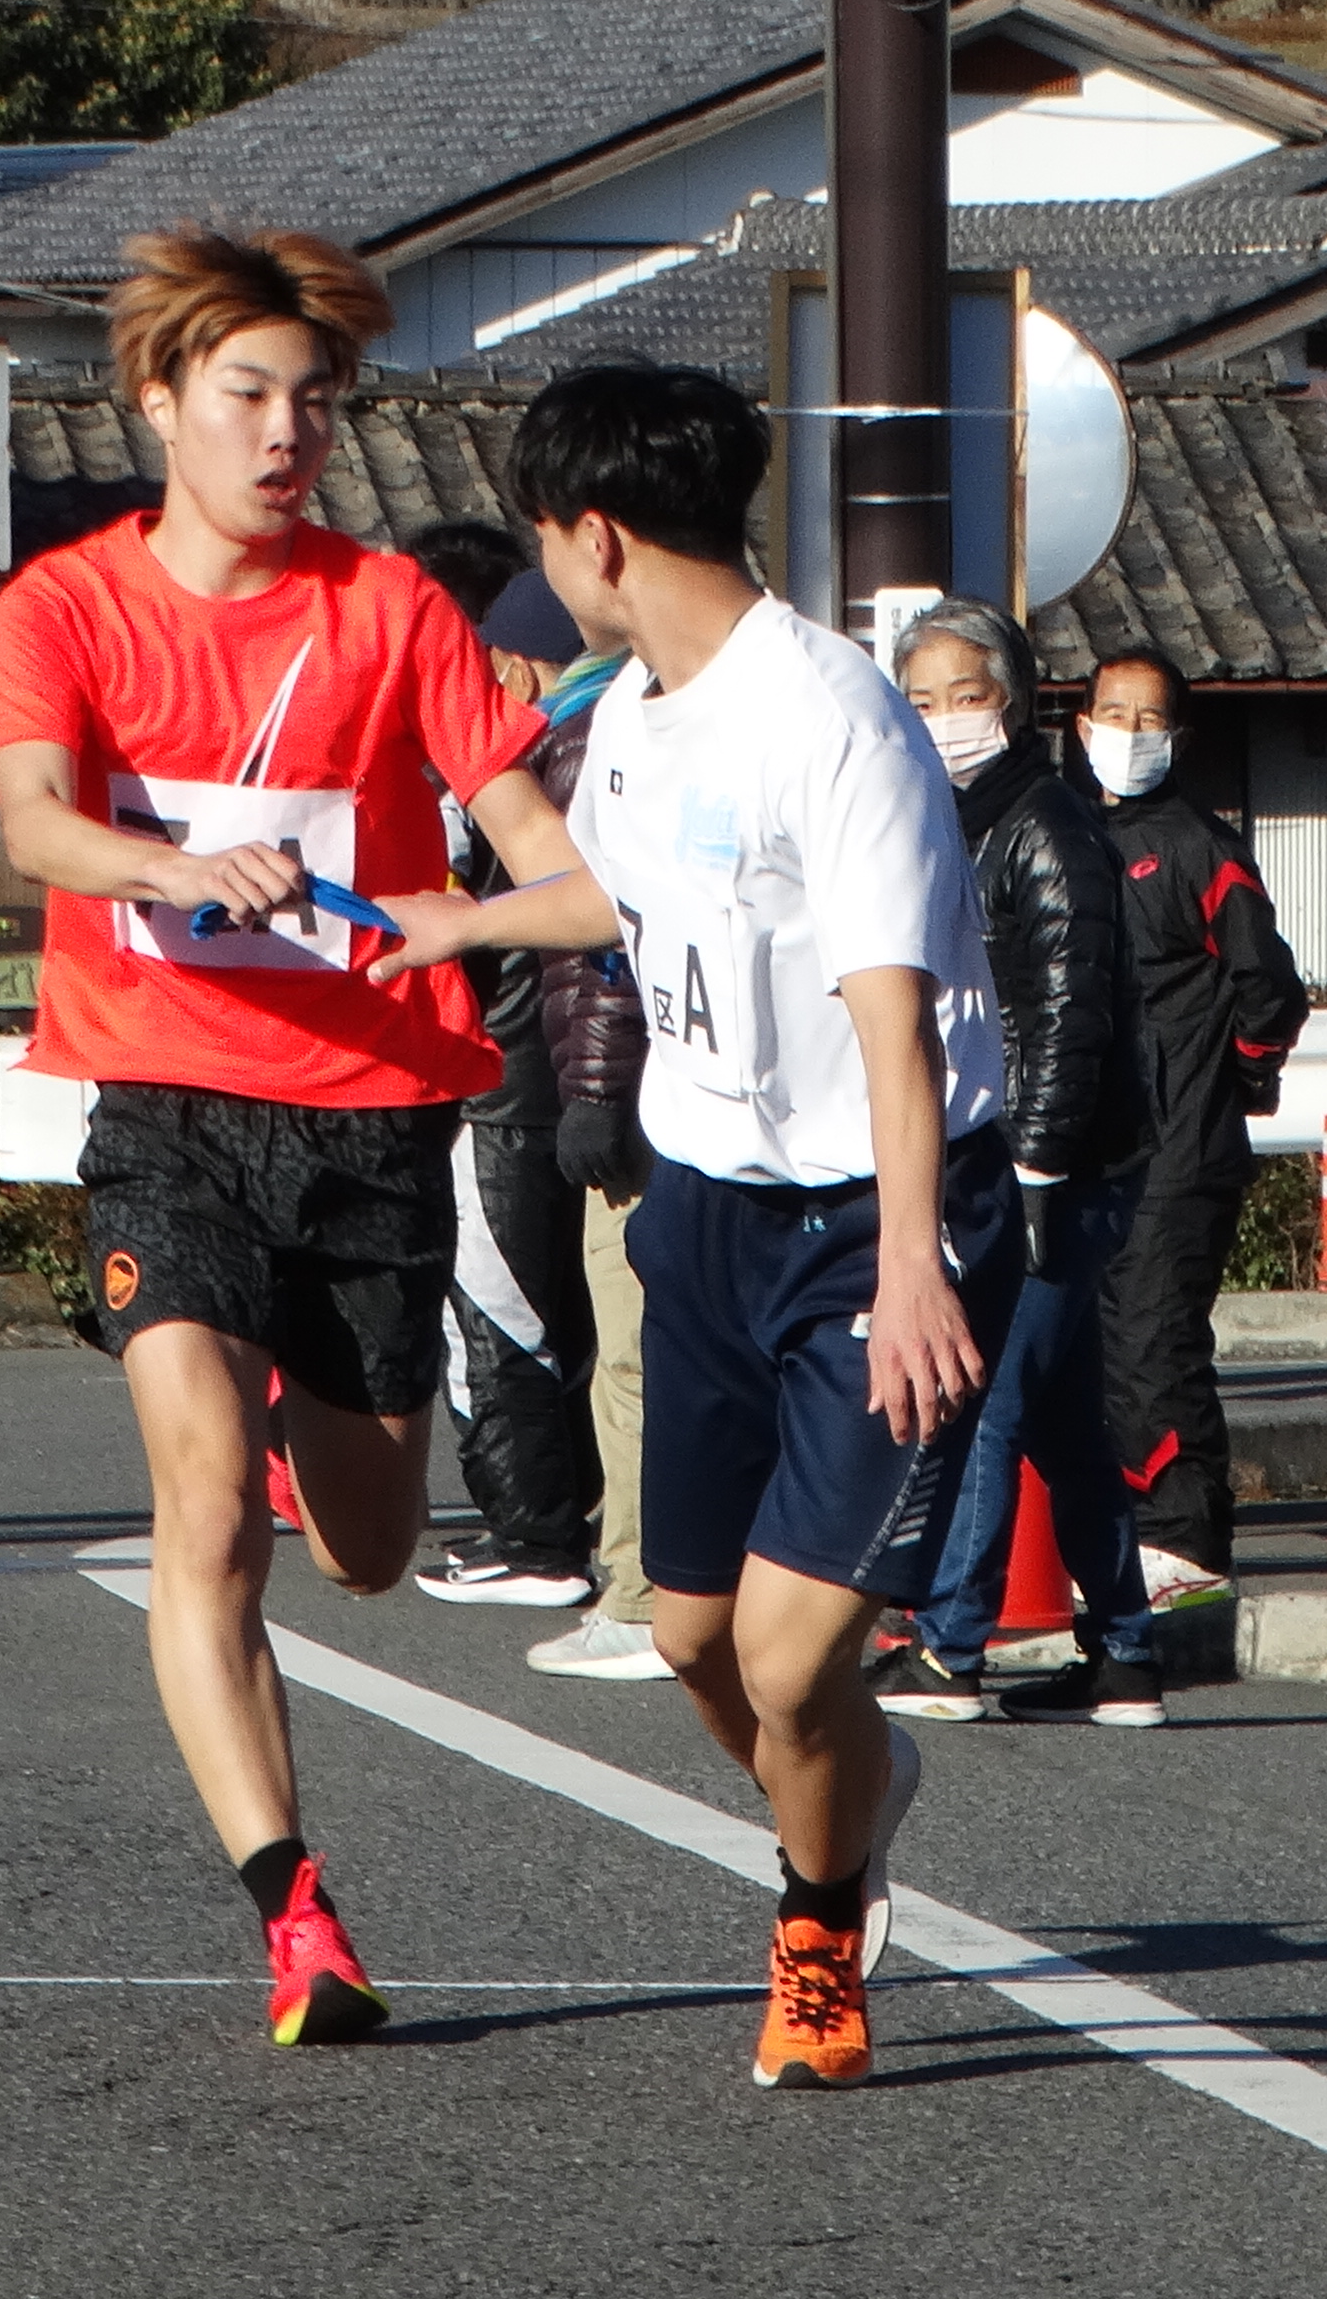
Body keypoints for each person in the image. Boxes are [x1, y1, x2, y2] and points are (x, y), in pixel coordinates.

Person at [0, 224, 588, 2051]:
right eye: (246, 391)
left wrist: (467, 916)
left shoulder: (391, 610)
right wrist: (166, 863)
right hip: (163, 1100)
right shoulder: (67, 607)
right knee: (196, 1501)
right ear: (157, 397)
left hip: (372, 1117)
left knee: (370, 1545)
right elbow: (33, 822)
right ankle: (291, 1909)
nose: (283, 429)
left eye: (314, 399)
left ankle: (340, 1461)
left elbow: (549, 866)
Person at [389, 360, 1013, 2090]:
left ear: (593, 535)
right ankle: (855, 1790)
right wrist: (462, 918)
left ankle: (815, 1924)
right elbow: (619, 884)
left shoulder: (827, 712)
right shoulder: (642, 713)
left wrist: (906, 1267)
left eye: (541, 546)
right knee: (684, 1635)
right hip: (705, 1214)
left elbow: (892, 1015)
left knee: (790, 1647)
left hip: (872, 1223)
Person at [871, 597, 1163, 1728]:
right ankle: (1127, 1651)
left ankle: (951, 1644)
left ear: (1017, 700)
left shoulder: (1043, 823)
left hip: (1059, 1163)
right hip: (1008, 1155)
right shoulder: (948, 821)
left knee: (981, 1388)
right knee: (1061, 1416)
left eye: (969, 696)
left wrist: (1035, 1166)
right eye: (924, 700)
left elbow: (1068, 1012)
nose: (946, 721)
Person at [397, 522, 603, 1606]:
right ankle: (561, 1516)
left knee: (498, 1304)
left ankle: (530, 1532)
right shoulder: (599, 751)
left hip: (501, 1076)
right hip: (564, 1077)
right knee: (560, 1303)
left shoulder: (508, 768)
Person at [1078, 649, 1308, 1612]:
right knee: (1096, 1343)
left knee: (1155, 1337)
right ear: (1080, 719)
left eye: (1149, 718)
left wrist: (1240, 1080)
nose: (1128, 734)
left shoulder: (1200, 847)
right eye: (1112, 712)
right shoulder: (1065, 829)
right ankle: (1121, 1533)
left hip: (1183, 1138)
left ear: (1177, 735)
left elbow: (1272, 991)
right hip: (1096, 1139)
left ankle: (1188, 1541)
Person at [526, 708, 676, 1684]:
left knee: (632, 1357)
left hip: (639, 1100)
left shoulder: (605, 736)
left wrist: (590, 1090)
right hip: (696, 1094)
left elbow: (606, 945)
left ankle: (642, 1593)